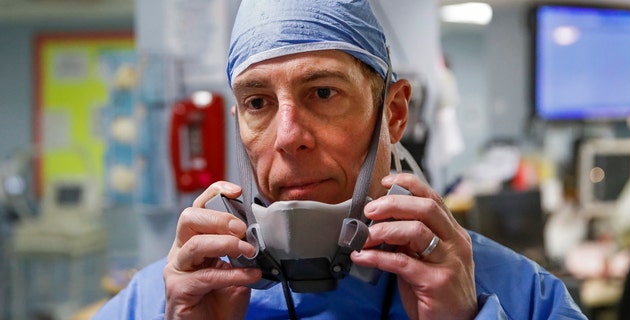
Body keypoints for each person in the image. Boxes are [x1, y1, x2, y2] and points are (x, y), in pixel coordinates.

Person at [93, 0, 587, 319]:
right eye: (258, 102)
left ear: (393, 115)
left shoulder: (521, 298)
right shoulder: (158, 301)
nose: (288, 137)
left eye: (323, 92)